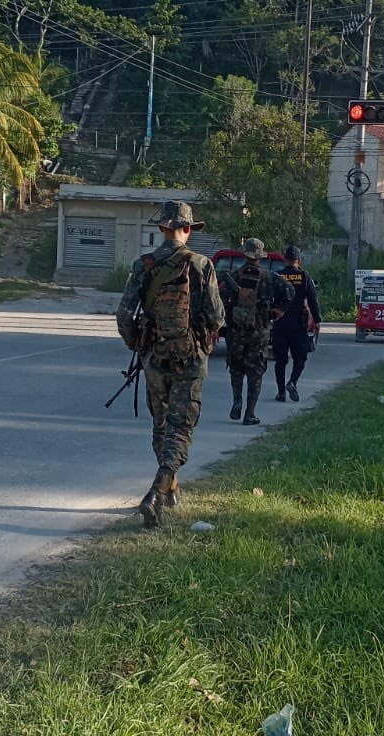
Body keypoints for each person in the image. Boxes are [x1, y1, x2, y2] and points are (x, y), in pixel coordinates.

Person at [116, 201, 223, 529]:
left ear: (162, 228)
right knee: (181, 429)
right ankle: (157, 492)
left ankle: (170, 487)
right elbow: (217, 316)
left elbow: (124, 315)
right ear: (188, 229)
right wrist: (203, 345)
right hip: (190, 360)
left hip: (154, 359)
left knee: (162, 426)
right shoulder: (202, 265)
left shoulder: (143, 265)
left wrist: (138, 344)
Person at [217, 238, 292, 426]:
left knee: (236, 369)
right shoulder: (270, 277)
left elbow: (219, 298)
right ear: (260, 256)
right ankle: (249, 413)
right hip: (259, 332)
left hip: (235, 331)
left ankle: (236, 401)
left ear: (245, 254)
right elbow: (290, 292)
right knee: (255, 372)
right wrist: (278, 311)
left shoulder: (233, 276)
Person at [272, 244, 320, 403]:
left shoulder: (277, 276)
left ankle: (280, 393)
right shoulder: (305, 276)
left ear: (285, 258)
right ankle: (292, 382)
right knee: (301, 357)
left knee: (280, 360)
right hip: (298, 324)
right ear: (298, 260)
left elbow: (268, 297)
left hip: (279, 322)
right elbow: (313, 300)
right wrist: (317, 320)